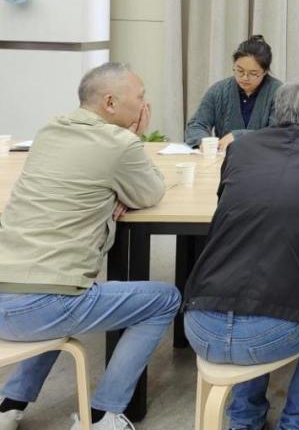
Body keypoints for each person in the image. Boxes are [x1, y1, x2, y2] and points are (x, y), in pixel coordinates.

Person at [0, 63, 180, 430]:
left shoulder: (49, 131)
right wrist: (131, 149)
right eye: (140, 97)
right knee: (165, 299)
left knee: (59, 294)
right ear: (111, 103)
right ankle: (102, 415)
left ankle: (9, 405)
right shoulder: (119, 143)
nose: (145, 105)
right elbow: (150, 192)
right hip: (44, 305)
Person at [182, 77, 299, 430]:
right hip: (269, 336)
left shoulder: (241, 148)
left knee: (251, 289)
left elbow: (227, 201)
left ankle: (243, 419)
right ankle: (298, 423)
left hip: (200, 325)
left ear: (275, 114)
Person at [184, 34, 283, 150]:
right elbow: (196, 125)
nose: (245, 77)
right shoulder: (218, 91)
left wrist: (238, 136)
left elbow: (279, 134)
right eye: (240, 71)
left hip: (265, 158)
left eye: (253, 73)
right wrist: (203, 142)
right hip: (225, 158)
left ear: (265, 71)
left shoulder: (280, 93)